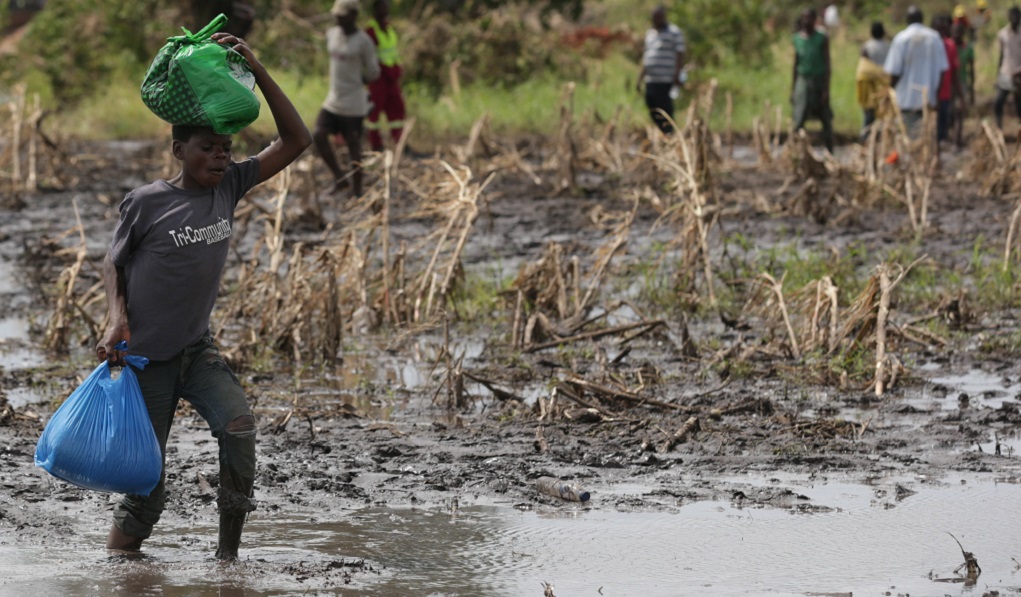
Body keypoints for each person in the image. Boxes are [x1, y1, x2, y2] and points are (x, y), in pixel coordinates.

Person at [97, 31, 312, 561]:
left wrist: (256, 68)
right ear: (178, 150)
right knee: (147, 490)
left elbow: (297, 139)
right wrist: (115, 317)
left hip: (197, 351)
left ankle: (227, 562)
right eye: (206, 148)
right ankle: (118, 568)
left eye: (225, 149)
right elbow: (112, 261)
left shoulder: (229, 187)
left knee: (238, 426)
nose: (219, 157)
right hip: (147, 360)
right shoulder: (148, 202)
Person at [313, 0, 380, 196]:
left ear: (353, 16)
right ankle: (340, 178)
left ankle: (358, 190)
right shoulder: (332, 34)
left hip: (353, 102)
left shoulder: (364, 41)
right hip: (334, 98)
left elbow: (374, 71)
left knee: (353, 146)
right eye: (337, 16)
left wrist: (360, 80)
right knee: (318, 134)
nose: (338, 19)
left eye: (342, 16)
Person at [883, 6, 948, 136]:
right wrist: (936, 96)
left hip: (906, 101)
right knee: (927, 138)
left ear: (907, 20)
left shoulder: (901, 39)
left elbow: (894, 72)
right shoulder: (935, 38)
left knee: (909, 139)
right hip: (929, 100)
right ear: (922, 19)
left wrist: (889, 92)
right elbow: (942, 72)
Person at [636, 5, 685, 134]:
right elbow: (646, 57)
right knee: (651, 104)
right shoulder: (650, 34)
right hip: (651, 79)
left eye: (659, 17)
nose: (656, 19)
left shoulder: (674, 32)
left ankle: (670, 133)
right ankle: (662, 132)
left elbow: (680, 54)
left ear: (663, 17)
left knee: (665, 107)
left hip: (666, 78)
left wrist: (677, 74)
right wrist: (640, 78)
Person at [365, 0, 406, 152]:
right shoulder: (370, 31)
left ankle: (399, 142)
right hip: (378, 80)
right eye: (383, 8)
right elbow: (369, 58)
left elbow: (393, 53)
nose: (386, 11)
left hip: (392, 79)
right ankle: (376, 145)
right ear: (376, 10)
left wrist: (397, 70)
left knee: (397, 109)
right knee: (374, 113)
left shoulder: (390, 30)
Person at [791, 8, 833, 152]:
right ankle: (795, 152)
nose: (806, 21)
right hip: (803, 81)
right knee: (798, 118)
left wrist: (826, 89)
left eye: (809, 18)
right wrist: (793, 89)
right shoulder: (797, 39)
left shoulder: (822, 38)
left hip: (819, 81)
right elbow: (795, 65)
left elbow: (828, 64)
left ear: (815, 20)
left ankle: (830, 152)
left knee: (826, 119)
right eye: (804, 18)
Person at [933, 14, 964, 148]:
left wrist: (960, 95)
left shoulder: (950, 46)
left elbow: (955, 74)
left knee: (942, 133)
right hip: (928, 97)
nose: (941, 33)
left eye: (943, 29)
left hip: (944, 95)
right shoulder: (928, 45)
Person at [859, 21, 891, 137]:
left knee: (868, 115)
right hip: (884, 86)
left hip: (870, 88)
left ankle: (864, 139)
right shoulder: (889, 46)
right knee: (885, 115)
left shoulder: (866, 47)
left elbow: (863, 68)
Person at [995, 7, 1021, 130]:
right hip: (1005, 73)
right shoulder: (1003, 34)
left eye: (1017, 17)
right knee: (998, 102)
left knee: (1019, 104)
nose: (1014, 19)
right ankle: (998, 127)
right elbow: (1001, 55)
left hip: (1019, 74)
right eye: (1012, 16)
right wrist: (998, 74)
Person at [952, 19, 976, 107]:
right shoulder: (948, 47)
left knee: (960, 107)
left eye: (958, 32)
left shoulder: (968, 48)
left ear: (963, 33)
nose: (956, 35)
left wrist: (972, 90)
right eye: (954, 32)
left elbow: (971, 69)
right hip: (950, 83)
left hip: (962, 81)